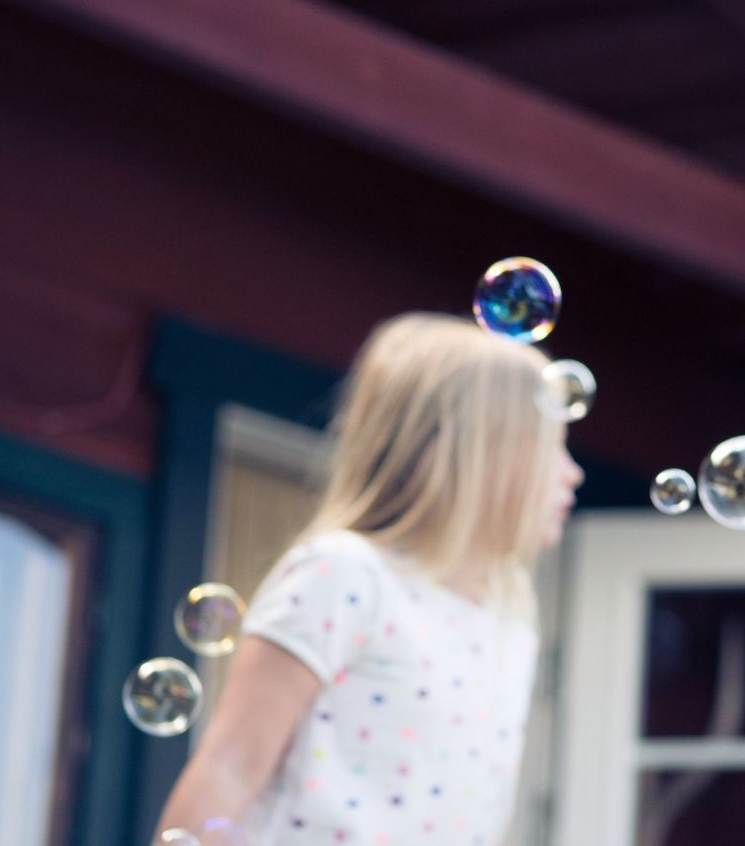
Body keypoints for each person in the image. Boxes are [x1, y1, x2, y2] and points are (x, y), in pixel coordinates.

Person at [154, 311, 585, 845]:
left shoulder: (509, 618)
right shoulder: (345, 576)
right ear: (479, 454)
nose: (572, 471)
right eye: (553, 448)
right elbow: (232, 766)